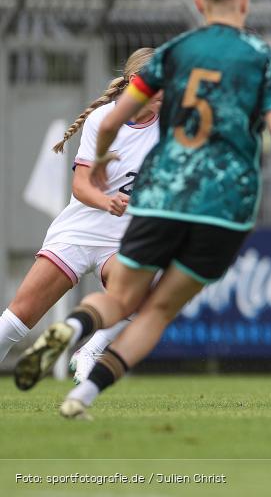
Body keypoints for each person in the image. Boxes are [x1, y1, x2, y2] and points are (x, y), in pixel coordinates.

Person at [14, 0, 271, 420]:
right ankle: (84, 381)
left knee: (124, 300)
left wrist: (104, 160)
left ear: (199, 3)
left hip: (143, 216)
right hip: (220, 207)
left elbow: (115, 124)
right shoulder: (262, 57)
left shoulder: (177, 55)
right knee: (151, 308)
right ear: (245, 1)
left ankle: (79, 335)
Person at [0, 48, 160, 385]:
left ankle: (90, 350)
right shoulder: (105, 119)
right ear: (134, 83)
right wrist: (107, 202)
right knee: (19, 317)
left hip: (122, 240)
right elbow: (80, 186)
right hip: (82, 229)